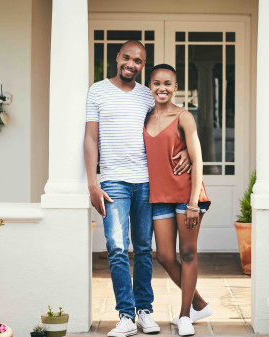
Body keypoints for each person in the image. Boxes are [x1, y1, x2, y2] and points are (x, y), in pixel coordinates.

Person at [84, 41, 191, 337]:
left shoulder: (147, 95)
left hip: (146, 181)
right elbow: (91, 138)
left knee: (144, 248)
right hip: (112, 182)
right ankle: (126, 316)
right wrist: (92, 181)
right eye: (127, 58)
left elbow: (172, 122)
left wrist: (186, 151)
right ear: (118, 58)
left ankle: (144, 311)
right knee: (117, 246)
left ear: (143, 65)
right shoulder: (97, 91)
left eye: (139, 61)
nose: (131, 64)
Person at [143, 64, 213, 336]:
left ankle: (185, 315)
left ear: (175, 87)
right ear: (150, 86)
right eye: (157, 82)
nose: (162, 88)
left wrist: (194, 202)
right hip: (159, 196)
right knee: (164, 255)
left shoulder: (184, 117)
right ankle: (198, 303)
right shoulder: (145, 117)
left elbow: (197, 160)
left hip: (186, 196)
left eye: (168, 83)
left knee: (187, 253)